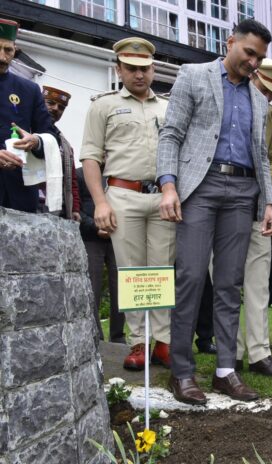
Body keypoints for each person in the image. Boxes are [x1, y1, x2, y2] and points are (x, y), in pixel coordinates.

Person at [157, 19, 272, 405]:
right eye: (249, 53)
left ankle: (226, 371)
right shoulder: (193, 75)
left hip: (243, 193)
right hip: (200, 187)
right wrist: (168, 184)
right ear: (231, 43)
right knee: (190, 277)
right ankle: (182, 371)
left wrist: (268, 202)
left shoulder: (259, 98)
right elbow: (171, 133)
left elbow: (260, 154)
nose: (254, 62)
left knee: (229, 283)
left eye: (260, 57)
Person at [80, 37, 173, 371]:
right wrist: (101, 203)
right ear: (118, 68)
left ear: (153, 69)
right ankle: (138, 341)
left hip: (162, 196)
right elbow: (91, 157)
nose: (139, 75)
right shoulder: (102, 105)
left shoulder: (168, 107)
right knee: (132, 271)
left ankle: (163, 342)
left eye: (145, 68)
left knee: (161, 269)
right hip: (123, 194)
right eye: (131, 68)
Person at [235, 58, 272, 378]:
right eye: (263, 89)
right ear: (252, 76)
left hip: (258, 204)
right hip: (220, 205)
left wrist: (258, 180)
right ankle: (232, 352)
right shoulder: (228, 105)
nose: (267, 97)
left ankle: (259, 353)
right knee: (226, 285)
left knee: (258, 284)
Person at [0, 18, 55, 213]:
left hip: (21, 191)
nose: (2, 57)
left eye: (8, 50)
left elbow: (49, 134)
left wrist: (36, 141)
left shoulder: (29, 90)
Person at [76, 167, 125, 343]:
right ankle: (96, 335)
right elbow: (75, 208)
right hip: (91, 240)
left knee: (121, 289)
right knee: (92, 289)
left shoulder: (120, 174)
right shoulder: (80, 174)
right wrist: (95, 227)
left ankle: (118, 336)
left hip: (117, 238)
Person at [42, 86, 80, 220]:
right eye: (51, 103)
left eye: (61, 107)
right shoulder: (25, 132)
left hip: (57, 208)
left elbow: (72, 180)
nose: (56, 109)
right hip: (29, 203)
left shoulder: (66, 145)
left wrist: (75, 209)